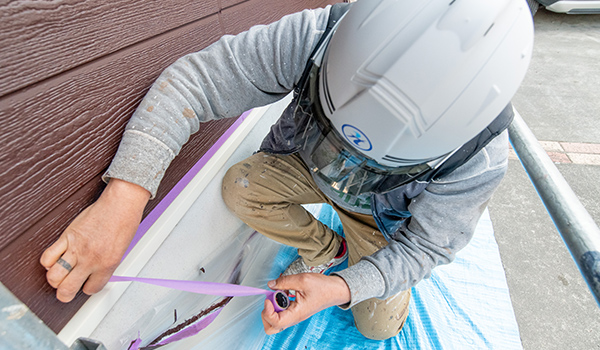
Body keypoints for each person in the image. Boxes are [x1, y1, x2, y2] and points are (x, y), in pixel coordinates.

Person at [40, 0, 533, 340]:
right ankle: (329, 247)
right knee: (241, 187)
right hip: (303, 166)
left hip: (382, 224)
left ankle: (351, 257)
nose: (352, 156)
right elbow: (196, 81)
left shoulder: (480, 156)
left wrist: (342, 288)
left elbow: (426, 246)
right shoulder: (323, 34)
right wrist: (123, 200)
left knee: (377, 326)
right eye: (334, 122)